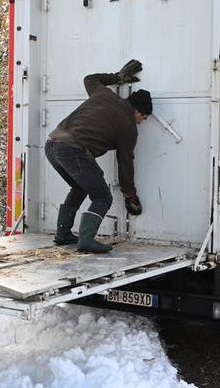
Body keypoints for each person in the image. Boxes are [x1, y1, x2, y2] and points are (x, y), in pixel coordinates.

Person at [44, 60, 152, 253]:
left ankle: (63, 235)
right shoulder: (128, 127)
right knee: (102, 196)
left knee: (79, 187)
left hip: (52, 145)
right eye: (143, 118)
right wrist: (130, 195)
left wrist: (116, 78)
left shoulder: (104, 93)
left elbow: (89, 79)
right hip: (73, 149)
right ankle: (86, 240)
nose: (142, 122)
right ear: (137, 111)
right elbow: (125, 163)